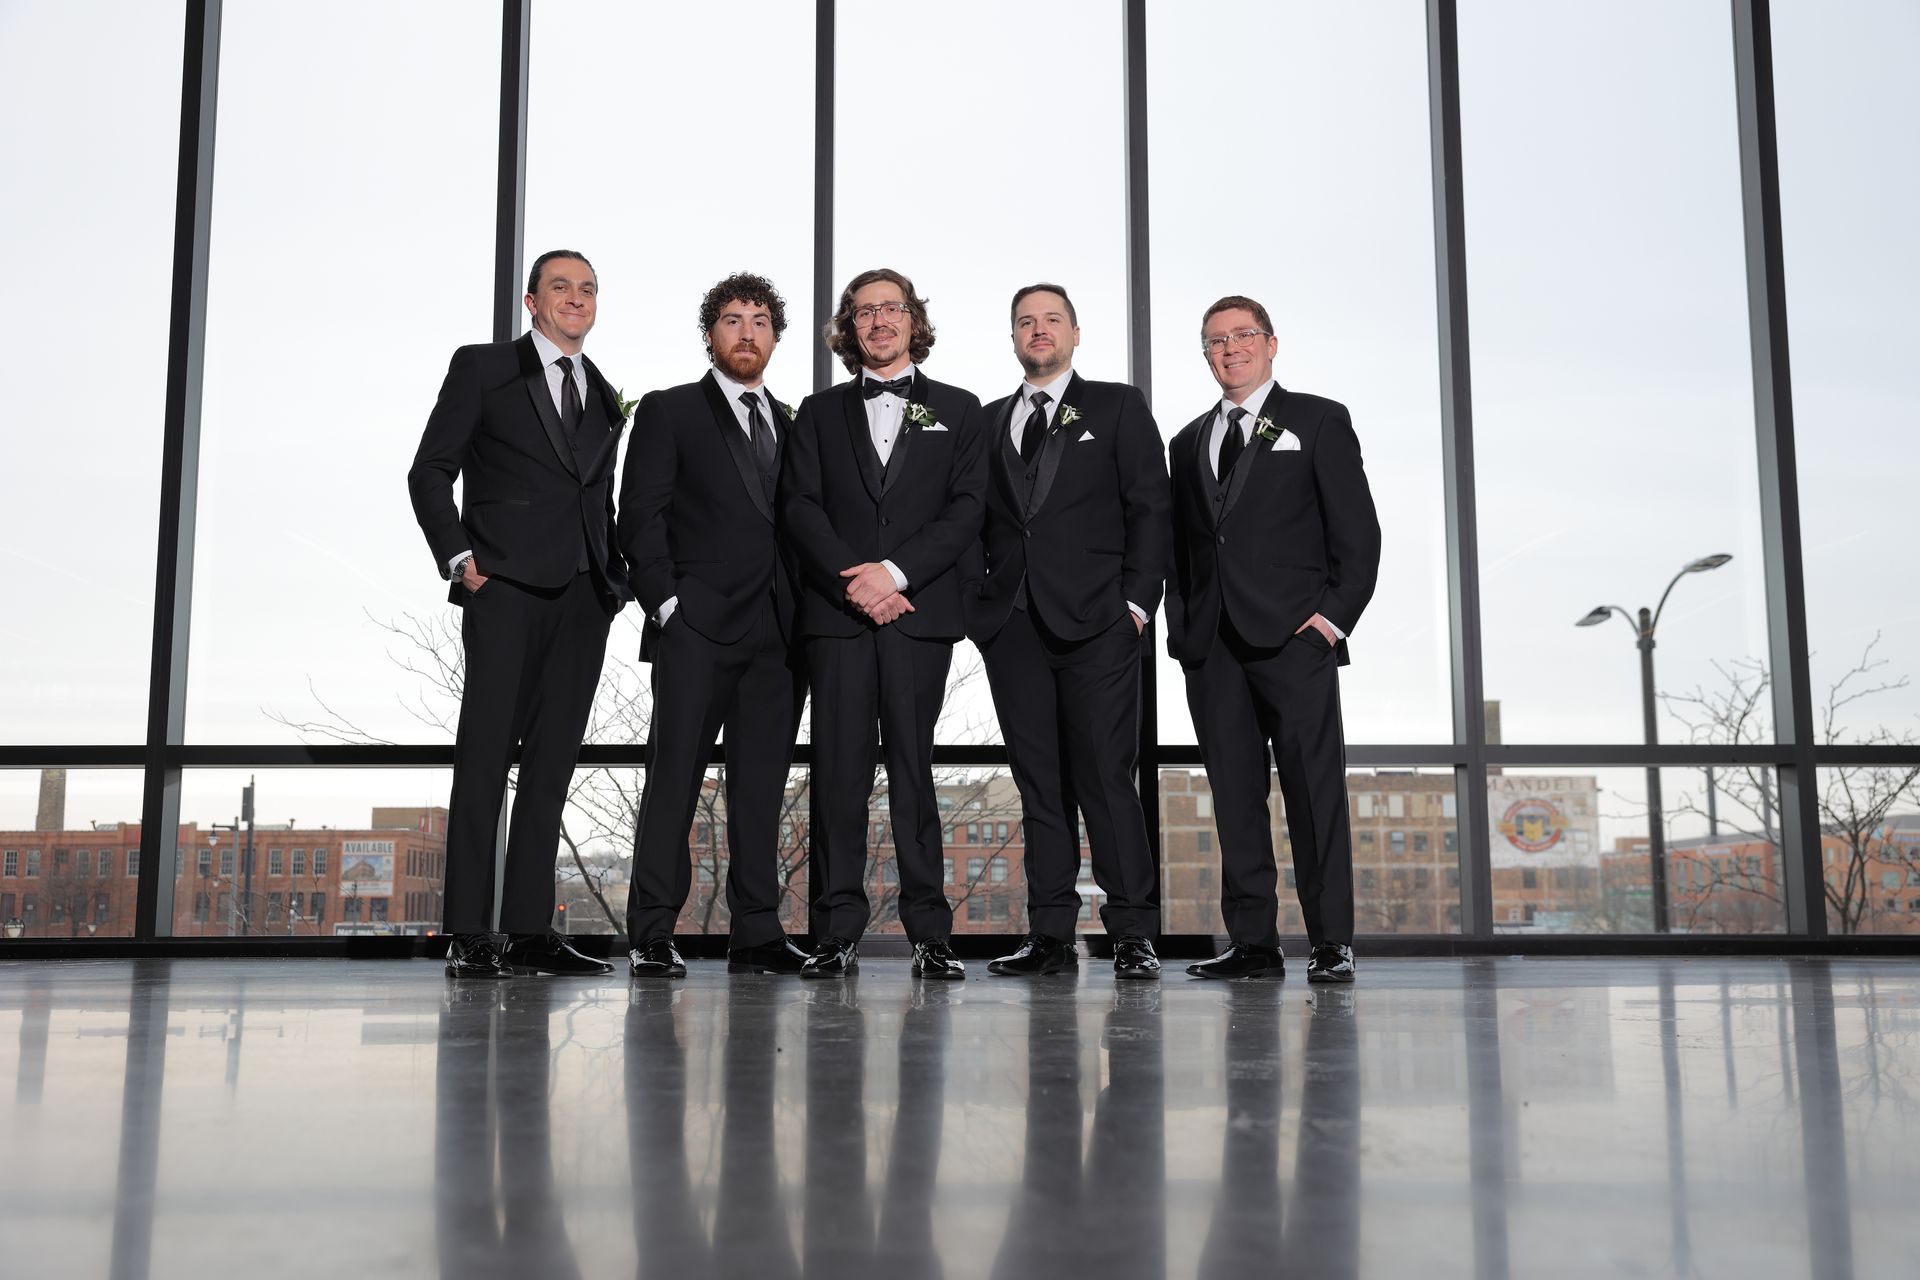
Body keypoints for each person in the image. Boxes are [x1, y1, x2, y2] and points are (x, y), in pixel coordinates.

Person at [407, 249, 626, 978]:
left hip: (584, 595)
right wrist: (458, 558)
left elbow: (597, 496)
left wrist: (613, 578)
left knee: (553, 765)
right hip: (502, 588)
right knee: (485, 756)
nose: (576, 298)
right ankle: (470, 932)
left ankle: (529, 930)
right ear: (531, 301)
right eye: (560, 287)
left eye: (587, 289)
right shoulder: (483, 367)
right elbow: (430, 470)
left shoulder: (604, 393)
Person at [778, 268, 987, 979]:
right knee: (837, 774)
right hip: (838, 621)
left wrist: (893, 577)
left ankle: (931, 933)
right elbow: (800, 509)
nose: (878, 321)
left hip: (916, 616)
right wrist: (858, 584)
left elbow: (965, 511)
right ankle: (836, 933)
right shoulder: (815, 411)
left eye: (890, 308)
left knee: (913, 772)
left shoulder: (961, 410)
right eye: (863, 312)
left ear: (913, 321)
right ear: (849, 327)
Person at [1165, 295, 1380, 983]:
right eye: (1215, 340)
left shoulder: (1317, 420)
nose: (1230, 348)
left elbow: (1359, 535)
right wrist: (1182, 631)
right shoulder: (1186, 440)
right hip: (1213, 648)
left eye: (1242, 335)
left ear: (1271, 343)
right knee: (1234, 796)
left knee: (1315, 793)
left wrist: (1329, 622)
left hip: (1295, 640)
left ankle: (1331, 942)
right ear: (1205, 354)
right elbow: (1183, 548)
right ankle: (1253, 943)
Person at [963, 283, 1171, 981]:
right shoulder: (989, 422)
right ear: (1013, 337)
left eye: (1052, 320)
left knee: (1107, 780)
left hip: (1100, 624)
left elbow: (1150, 507)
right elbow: (974, 523)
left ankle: (1134, 933)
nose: (1038, 330)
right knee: (1038, 787)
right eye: (1026, 321)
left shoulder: (1115, 406)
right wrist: (978, 610)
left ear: (1076, 334)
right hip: (1013, 627)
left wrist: (1138, 604)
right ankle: (1049, 935)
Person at [619, 274, 809, 979]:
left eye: (760, 321)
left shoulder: (793, 423)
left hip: (779, 638)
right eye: (732, 320)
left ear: (775, 337)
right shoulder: (671, 412)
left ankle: (756, 932)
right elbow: (638, 515)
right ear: (710, 333)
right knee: (673, 779)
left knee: (761, 789)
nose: (747, 332)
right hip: (696, 628)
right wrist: (668, 605)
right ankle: (651, 932)